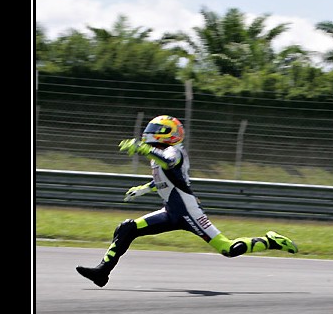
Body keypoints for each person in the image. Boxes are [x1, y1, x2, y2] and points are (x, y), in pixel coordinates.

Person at [76, 115, 298, 287]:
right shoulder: (156, 156)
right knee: (127, 228)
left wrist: (143, 148)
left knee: (229, 249)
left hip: (189, 212)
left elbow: (169, 164)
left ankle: (270, 240)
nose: (148, 133)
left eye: (154, 130)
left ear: (168, 134)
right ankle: (102, 272)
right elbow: (165, 179)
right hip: (170, 212)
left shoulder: (175, 151)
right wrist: (144, 189)